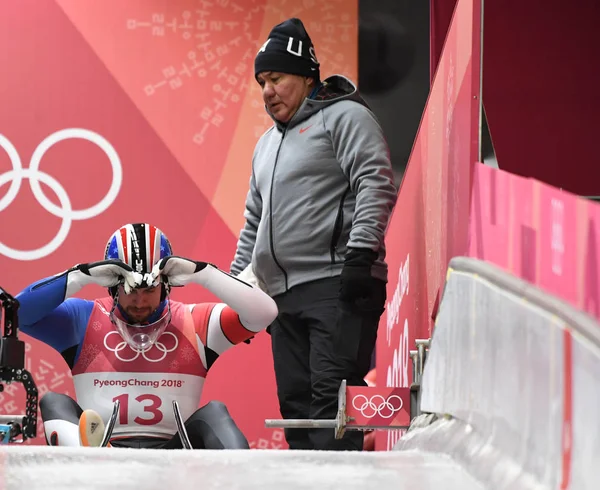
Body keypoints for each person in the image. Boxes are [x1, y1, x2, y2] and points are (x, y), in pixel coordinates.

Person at [230, 18, 398, 451]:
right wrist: (235, 292)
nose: (267, 91)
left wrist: (360, 256)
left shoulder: (345, 116)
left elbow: (375, 181)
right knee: (298, 416)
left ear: (307, 75)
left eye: (277, 78)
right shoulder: (266, 144)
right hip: (282, 299)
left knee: (330, 411)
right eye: (261, 81)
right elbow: (253, 220)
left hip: (338, 284)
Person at [16, 222, 278, 449]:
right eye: (130, 290)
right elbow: (15, 314)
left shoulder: (195, 321)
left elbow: (265, 313)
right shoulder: (83, 319)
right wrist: (79, 275)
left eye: (149, 289)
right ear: (112, 286)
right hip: (97, 454)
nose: (139, 301)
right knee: (54, 402)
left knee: (215, 412)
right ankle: (99, 461)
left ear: (166, 285)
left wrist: (205, 274)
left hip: (176, 452)